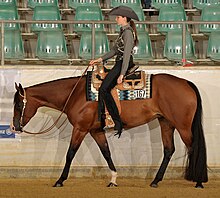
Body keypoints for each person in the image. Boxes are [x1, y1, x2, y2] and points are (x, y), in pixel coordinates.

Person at [89, 6, 139, 138]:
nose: (116, 19)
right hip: (120, 62)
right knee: (105, 86)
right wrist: (99, 59)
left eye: (118, 17)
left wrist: (122, 74)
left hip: (124, 63)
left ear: (124, 18)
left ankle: (116, 120)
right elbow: (114, 51)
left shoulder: (127, 32)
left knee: (104, 88)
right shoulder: (123, 31)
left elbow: (127, 54)